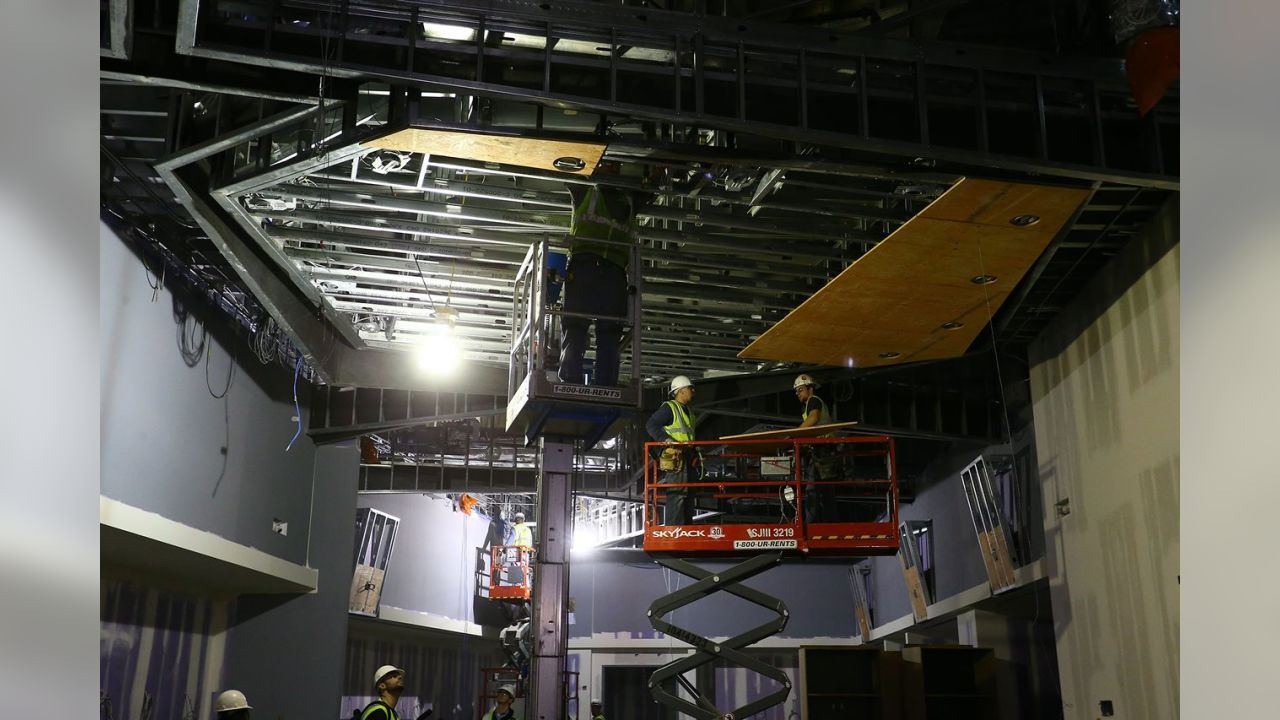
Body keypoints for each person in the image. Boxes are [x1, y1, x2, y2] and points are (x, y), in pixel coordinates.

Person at [558, 162, 643, 387]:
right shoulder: (589, 193)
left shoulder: (627, 201)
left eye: (613, 169)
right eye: (608, 168)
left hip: (598, 272)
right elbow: (567, 171)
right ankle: (581, 379)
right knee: (589, 328)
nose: (612, 173)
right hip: (600, 272)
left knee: (602, 330)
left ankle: (580, 378)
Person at [645, 375, 699, 525]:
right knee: (677, 494)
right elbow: (651, 425)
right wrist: (666, 440)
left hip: (688, 456)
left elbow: (690, 435)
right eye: (690, 388)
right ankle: (673, 531)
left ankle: (686, 531)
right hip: (676, 457)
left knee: (688, 494)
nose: (693, 391)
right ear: (681, 391)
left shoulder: (688, 411)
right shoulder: (670, 408)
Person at [793, 374, 837, 522]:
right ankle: (828, 522)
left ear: (810, 388)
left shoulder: (813, 400)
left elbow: (813, 419)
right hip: (823, 450)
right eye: (796, 391)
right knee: (824, 490)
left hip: (822, 451)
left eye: (800, 390)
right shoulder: (809, 405)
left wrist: (794, 435)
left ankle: (810, 525)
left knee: (813, 490)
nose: (797, 393)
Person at [508, 512, 534, 587]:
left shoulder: (515, 528)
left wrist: (502, 549)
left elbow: (511, 540)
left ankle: (517, 586)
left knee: (516, 569)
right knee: (525, 569)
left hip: (517, 553)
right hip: (526, 553)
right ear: (523, 520)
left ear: (516, 519)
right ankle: (526, 586)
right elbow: (530, 543)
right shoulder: (528, 530)